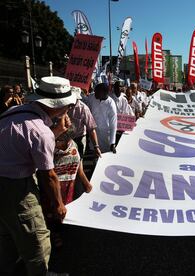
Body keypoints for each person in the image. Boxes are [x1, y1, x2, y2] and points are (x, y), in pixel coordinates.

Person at [0, 76, 76, 275]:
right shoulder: (41, 132)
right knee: (37, 241)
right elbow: (48, 175)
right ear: (59, 106)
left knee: (7, 235)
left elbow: (27, 146)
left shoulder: (14, 112)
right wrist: (59, 205)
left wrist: (56, 132)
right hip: (16, 190)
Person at [67, 86, 101, 159]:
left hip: (79, 138)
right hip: (66, 138)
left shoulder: (83, 108)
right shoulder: (64, 106)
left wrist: (96, 146)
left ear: (77, 98)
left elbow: (91, 128)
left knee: (79, 160)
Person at [87, 83, 117, 154]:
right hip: (93, 132)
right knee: (94, 152)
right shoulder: (91, 97)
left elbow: (113, 125)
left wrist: (112, 143)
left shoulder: (111, 104)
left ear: (104, 93)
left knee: (104, 156)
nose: (95, 94)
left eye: (97, 92)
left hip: (105, 134)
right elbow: (88, 113)